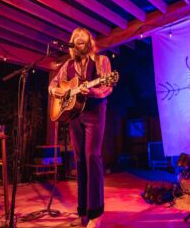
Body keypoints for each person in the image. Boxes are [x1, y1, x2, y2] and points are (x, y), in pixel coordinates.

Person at [49, 27, 113, 228]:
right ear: (73, 44)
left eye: (82, 37)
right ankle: (82, 212)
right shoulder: (67, 65)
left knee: (92, 157)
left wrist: (92, 91)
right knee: (79, 161)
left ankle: (96, 213)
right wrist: (59, 92)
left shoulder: (101, 61)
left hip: (94, 112)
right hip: (75, 115)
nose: (79, 39)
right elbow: (52, 85)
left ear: (89, 42)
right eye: (75, 38)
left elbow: (107, 87)